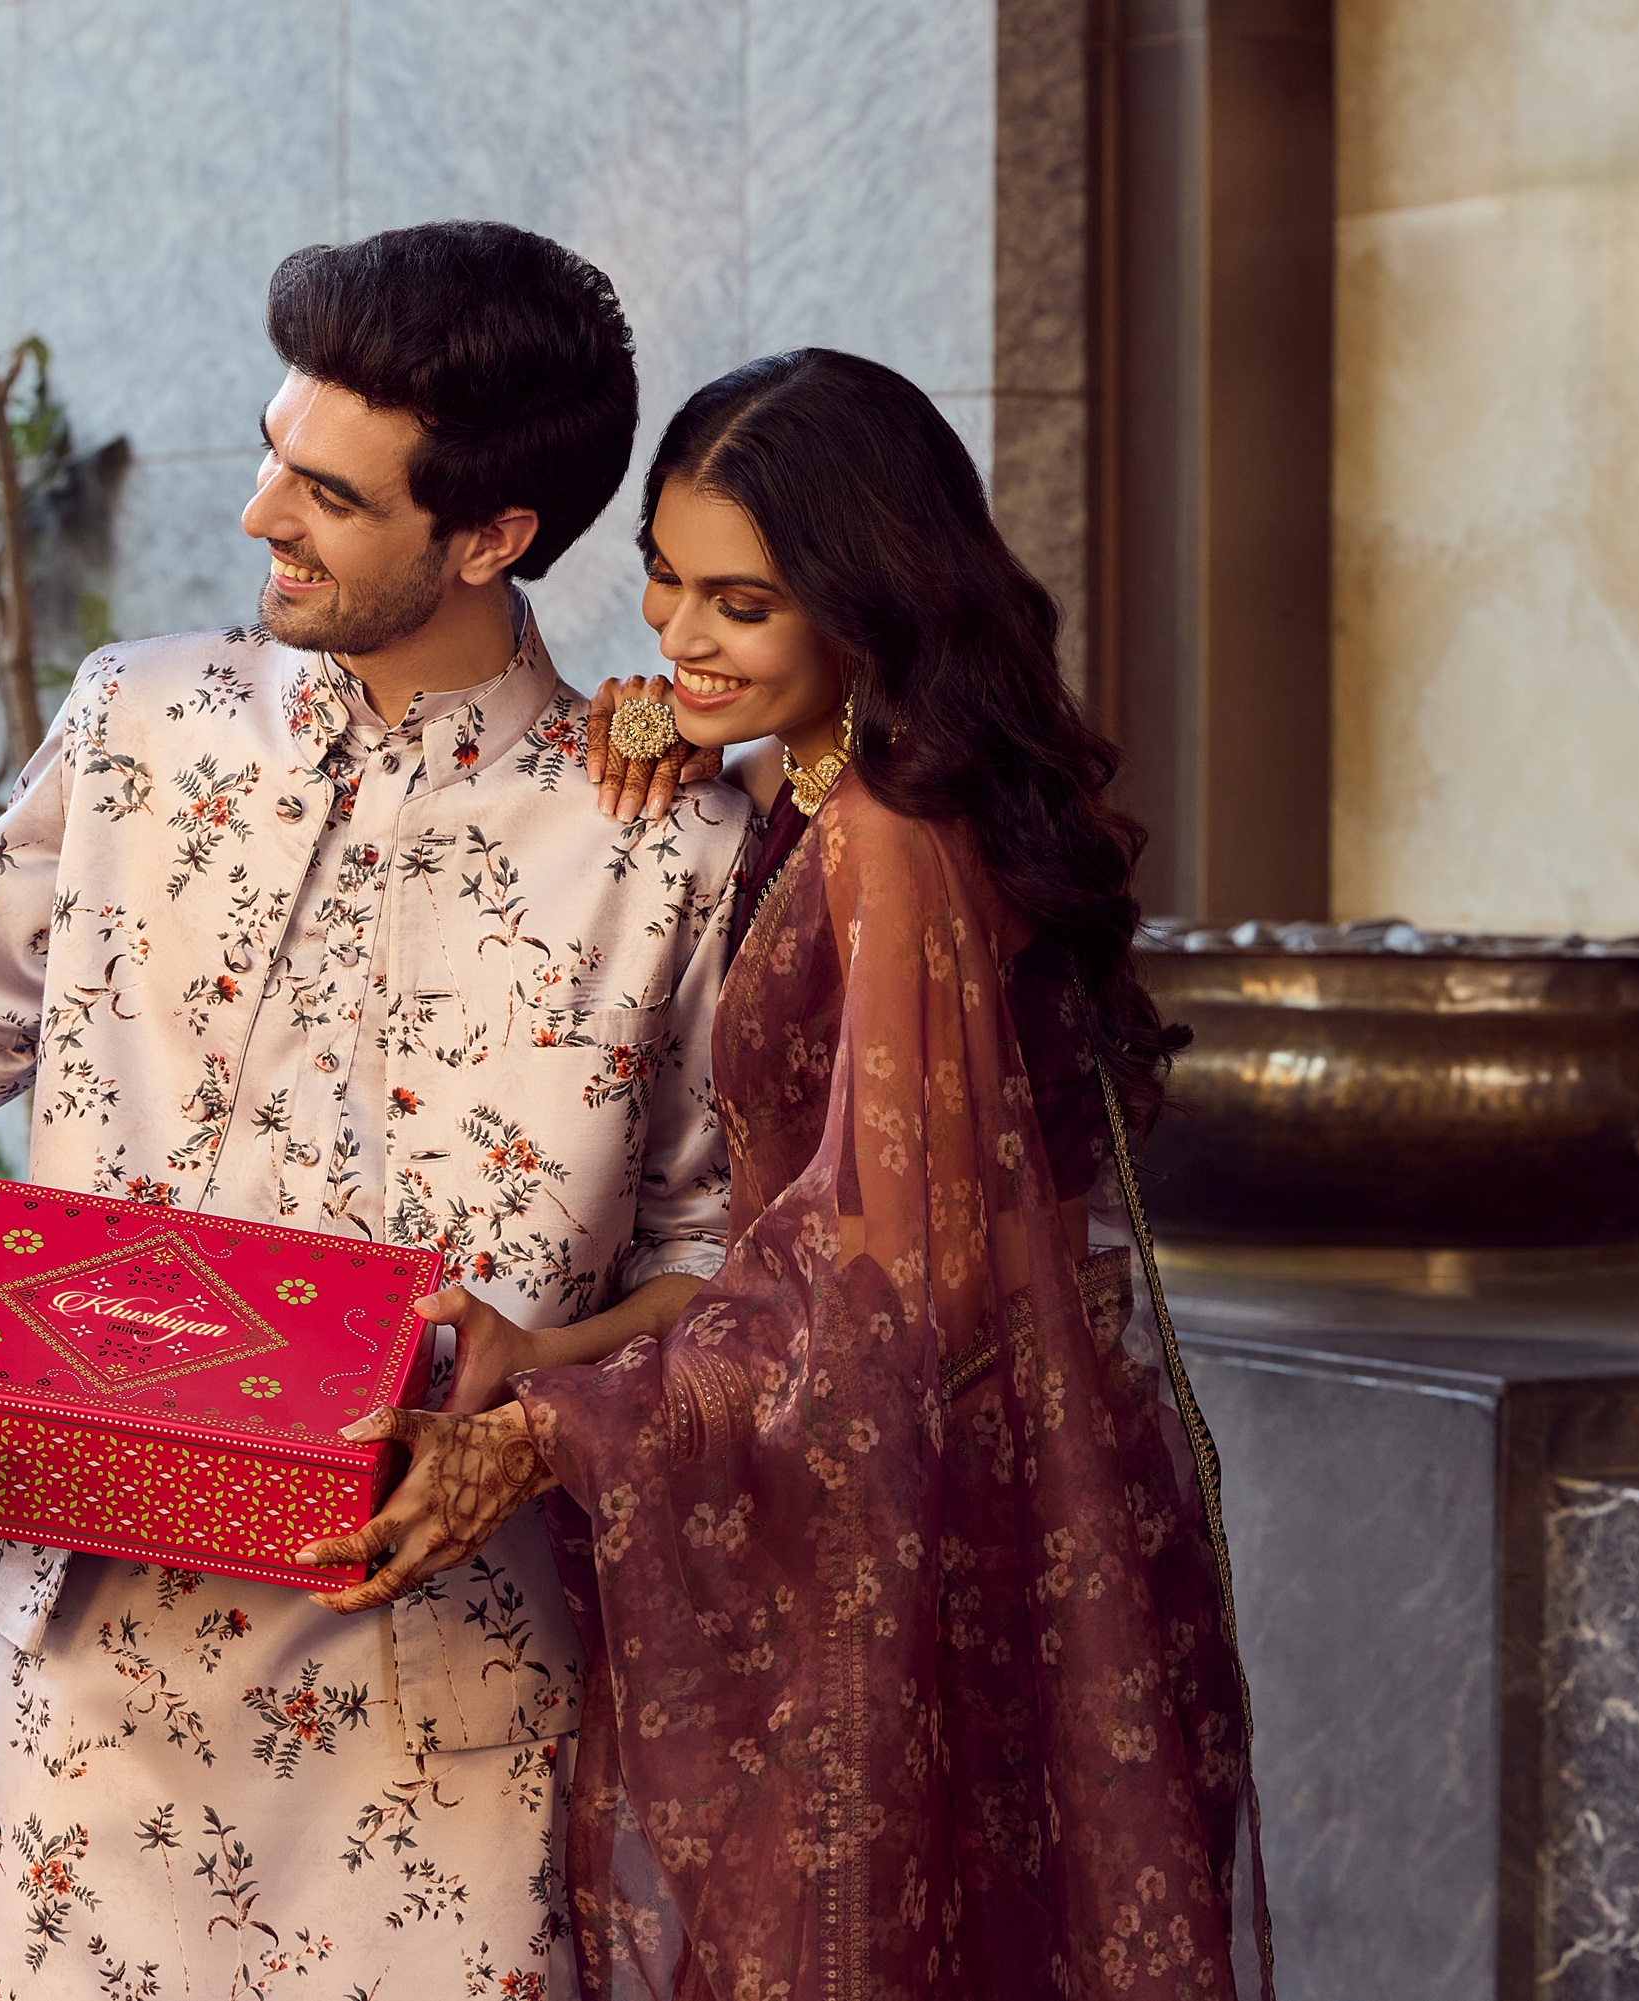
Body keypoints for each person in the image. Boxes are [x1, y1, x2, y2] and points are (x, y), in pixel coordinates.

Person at [0, 222, 750, 1998]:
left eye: (326, 494)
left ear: (492, 538)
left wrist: (534, 1396)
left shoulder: (668, 845)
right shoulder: (138, 725)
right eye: (273, 451)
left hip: (437, 1682)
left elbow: (724, 1267)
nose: (262, 512)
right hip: (93, 1658)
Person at [306, 349, 1271, 1999]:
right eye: (665, 585)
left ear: (869, 598)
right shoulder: (827, 786)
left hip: (891, 1515)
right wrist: (553, 1352)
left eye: (739, 606)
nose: (678, 637)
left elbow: (884, 1286)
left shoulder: (891, 830)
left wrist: (558, 1430)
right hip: (901, 1490)